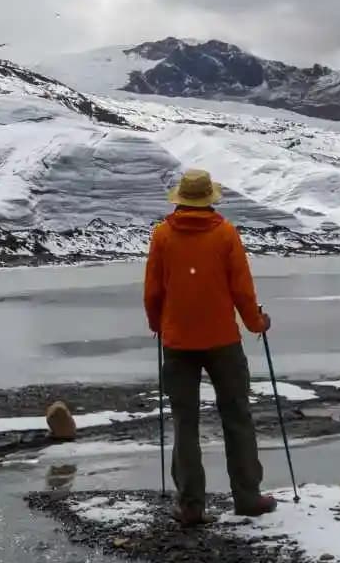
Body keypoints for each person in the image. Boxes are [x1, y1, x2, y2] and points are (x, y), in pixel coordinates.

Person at [144, 168, 279, 525]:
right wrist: (257, 323)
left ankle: (190, 505)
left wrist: (159, 325)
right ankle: (248, 497)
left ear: (181, 200)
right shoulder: (225, 234)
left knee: (184, 423)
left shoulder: (162, 236)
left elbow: (153, 292)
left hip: (178, 342)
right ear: (209, 199)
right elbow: (242, 291)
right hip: (222, 341)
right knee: (237, 417)